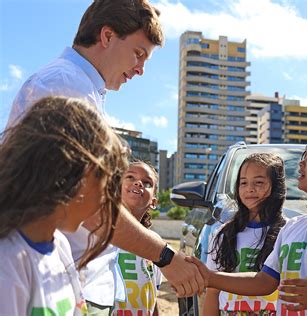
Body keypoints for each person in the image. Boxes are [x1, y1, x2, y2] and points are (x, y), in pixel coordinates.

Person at [6, 0, 204, 303]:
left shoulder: (82, 86)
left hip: (70, 278)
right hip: (46, 282)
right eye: (139, 54)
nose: (140, 69)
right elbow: (87, 200)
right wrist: (165, 257)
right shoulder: (66, 86)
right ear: (108, 36)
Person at [188, 126, 307, 316]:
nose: (301, 164)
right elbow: (264, 282)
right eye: (304, 157)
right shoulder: (292, 227)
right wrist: (211, 277)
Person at [0, 96, 129, 315]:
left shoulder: (59, 245)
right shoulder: (8, 261)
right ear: (83, 176)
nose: (106, 200)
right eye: (106, 184)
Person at [204, 153, 287, 316]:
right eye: (243, 182)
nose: (250, 188)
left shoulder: (289, 232)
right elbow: (213, 292)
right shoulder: (223, 234)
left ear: (277, 187)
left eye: (259, 182)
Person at [114, 159, 162, 316]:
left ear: (153, 201)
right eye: (130, 177)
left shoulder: (155, 243)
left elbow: (152, 297)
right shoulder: (100, 236)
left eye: (147, 182)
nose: (138, 183)